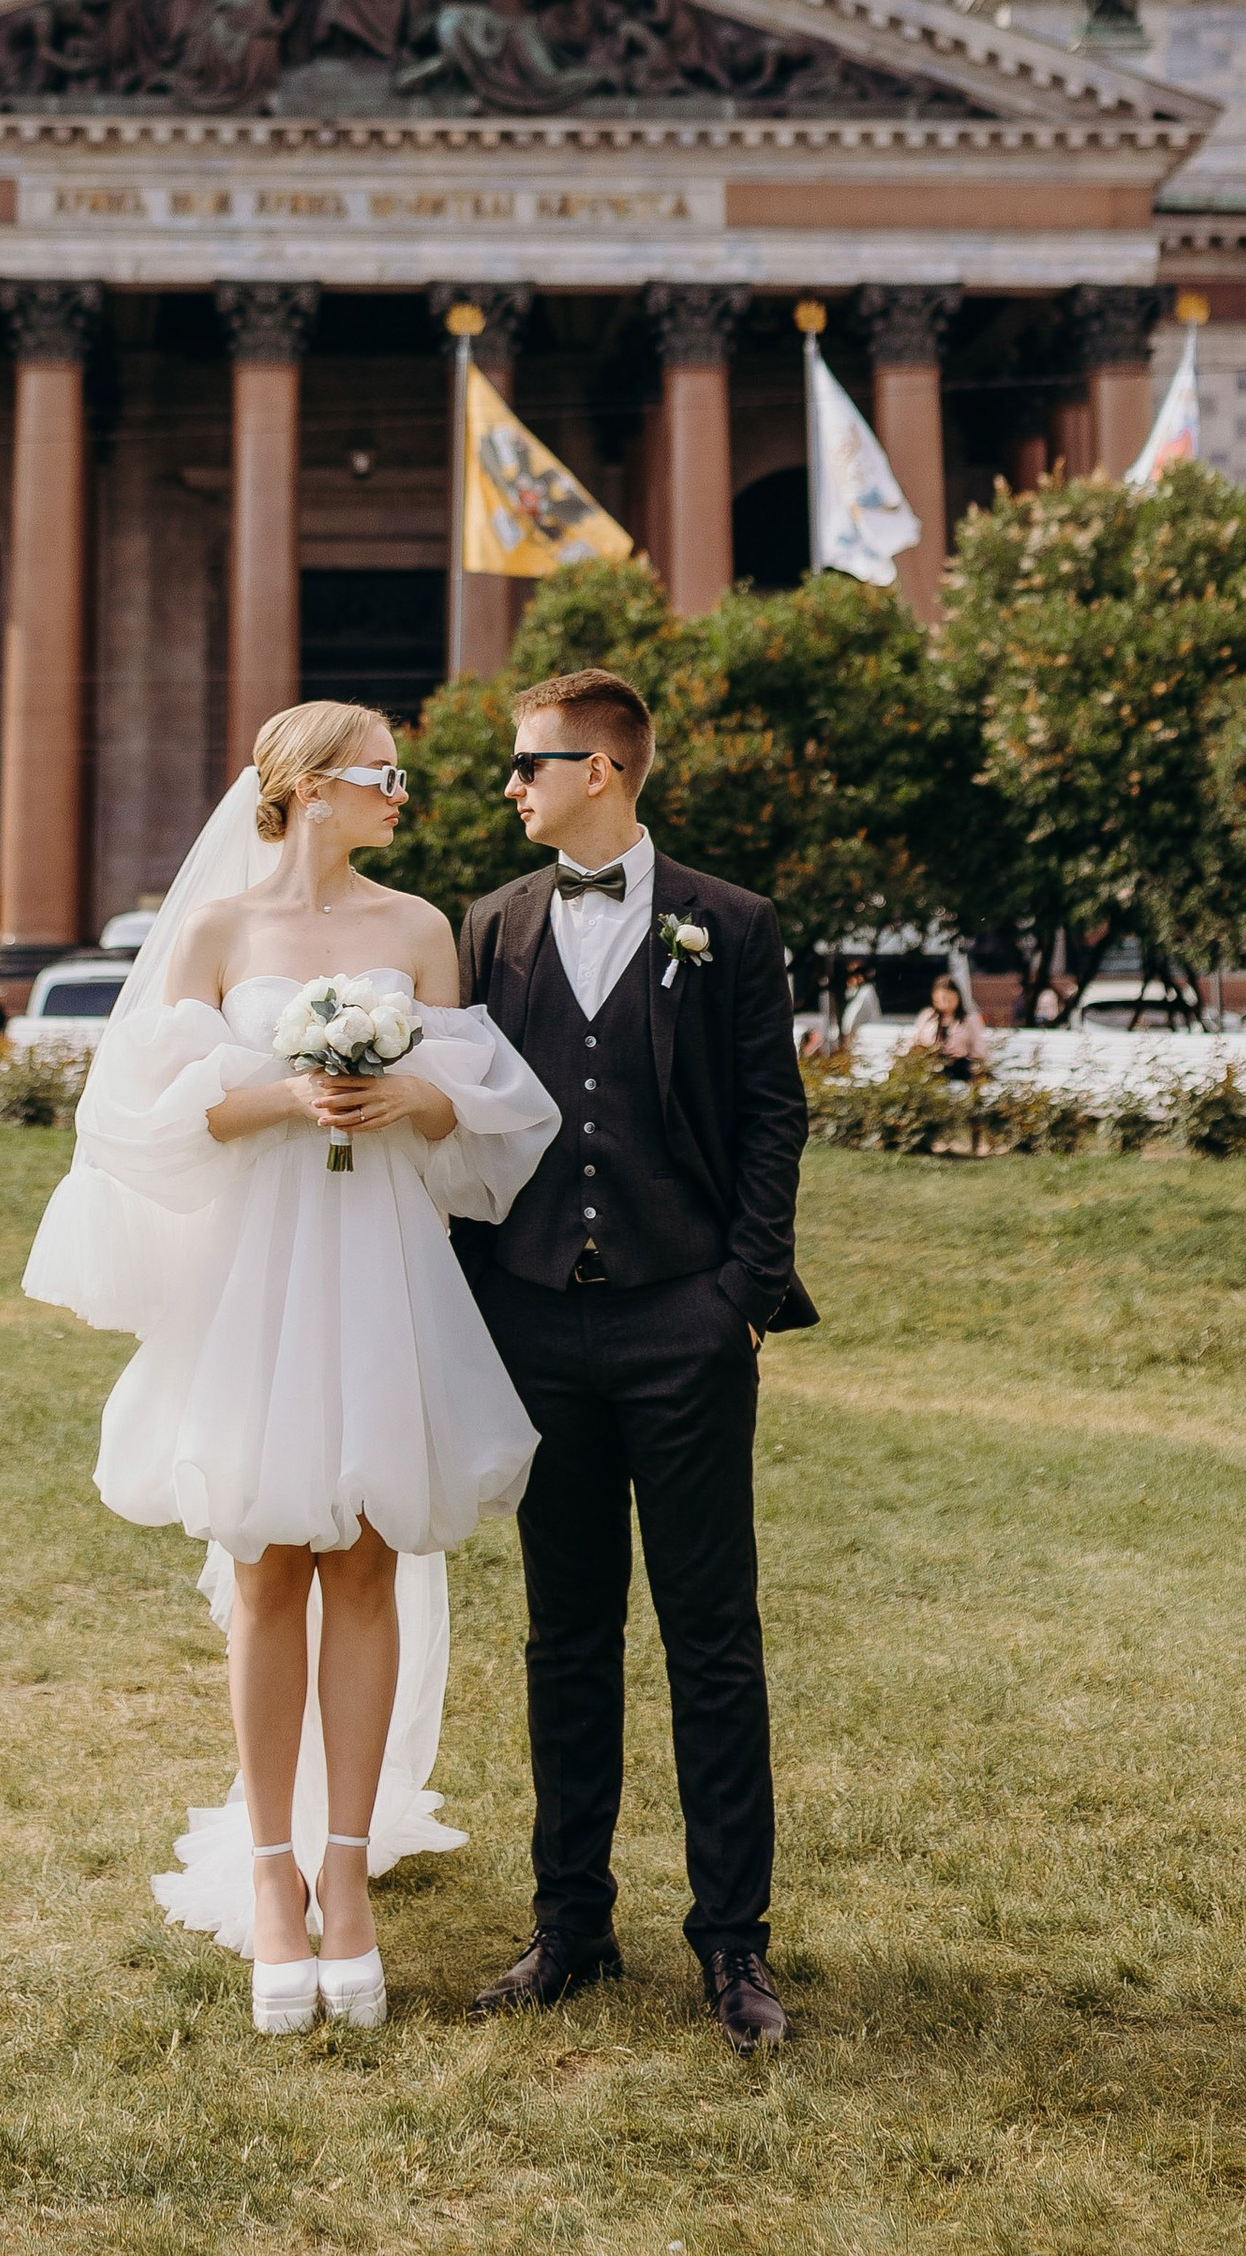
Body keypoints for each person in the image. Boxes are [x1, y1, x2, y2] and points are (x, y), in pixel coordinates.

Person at [23, 701, 557, 2037]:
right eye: (386, 776)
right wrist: (287, 1090)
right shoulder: (211, 932)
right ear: (312, 784)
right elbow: (137, 1121)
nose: (404, 796)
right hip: (259, 1271)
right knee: (267, 1567)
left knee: (369, 1556)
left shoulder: (418, 930)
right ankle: (272, 1880)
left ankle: (346, 1873)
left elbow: (483, 1106)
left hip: (377, 1261)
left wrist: (406, 1094)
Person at [455, 665, 813, 2057]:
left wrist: (740, 1292)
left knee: (712, 1640)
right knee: (566, 1636)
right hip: (538, 1327)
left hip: (685, 1323)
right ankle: (571, 1927)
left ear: (599, 769)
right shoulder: (490, 926)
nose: (512, 787)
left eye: (528, 764)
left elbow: (775, 1116)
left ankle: (733, 1945)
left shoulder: (733, 924)